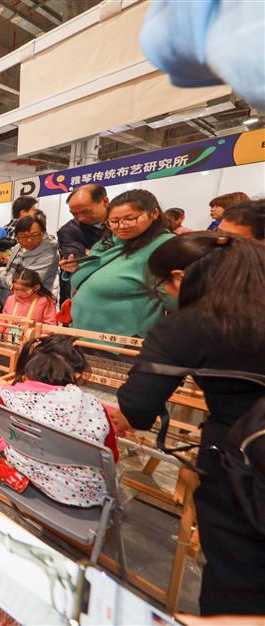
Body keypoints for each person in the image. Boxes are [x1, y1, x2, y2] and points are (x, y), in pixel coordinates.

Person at [115, 233, 265, 616]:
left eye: (162, 284)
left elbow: (136, 409)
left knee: (239, 589)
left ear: (180, 278)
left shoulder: (193, 324)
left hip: (242, 468)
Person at [0, 336, 111, 507]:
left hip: (20, 471)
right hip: (77, 493)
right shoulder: (94, 408)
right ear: (74, 373)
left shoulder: (5, 395)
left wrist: (4, 385)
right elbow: (109, 457)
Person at [59, 189, 174, 338]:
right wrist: (73, 270)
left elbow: (174, 299)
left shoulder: (166, 246)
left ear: (154, 214)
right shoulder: (110, 239)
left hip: (121, 342)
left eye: (130, 218)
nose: (121, 226)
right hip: (83, 333)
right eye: (114, 221)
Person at [57, 184, 109, 304]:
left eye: (86, 211)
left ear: (105, 202)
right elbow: (80, 264)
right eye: (74, 214)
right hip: (82, 295)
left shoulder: (122, 224)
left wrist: (93, 254)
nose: (80, 218)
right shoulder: (68, 231)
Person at [0, 213, 59, 304]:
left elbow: (26, 283)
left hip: (35, 306)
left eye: (34, 235)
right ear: (17, 237)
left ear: (43, 233)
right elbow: (8, 271)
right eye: (24, 236)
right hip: (11, 305)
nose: (29, 240)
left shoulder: (49, 253)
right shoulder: (17, 248)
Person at [0, 268, 58, 332]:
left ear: (36, 287)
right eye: (15, 289)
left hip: (34, 340)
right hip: (8, 339)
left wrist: (37, 337)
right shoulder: (11, 299)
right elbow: (3, 321)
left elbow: (50, 326)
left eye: (23, 290)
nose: (18, 293)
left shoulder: (44, 301)